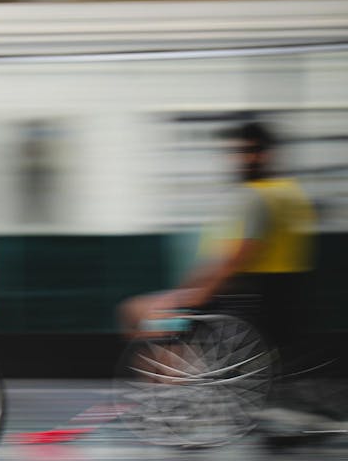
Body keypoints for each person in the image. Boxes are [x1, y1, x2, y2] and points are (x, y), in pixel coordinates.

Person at [120, 120, 316, 355]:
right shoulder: (291, 194)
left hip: (234, 300)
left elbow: (235, 259)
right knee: (168, 307)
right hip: (278, 302)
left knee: (138, 311)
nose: (239, 159)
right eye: (237, 152)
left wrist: (196, 297)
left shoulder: (254, 197)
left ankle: (169, 379)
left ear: (266, 154)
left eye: (246, 152)